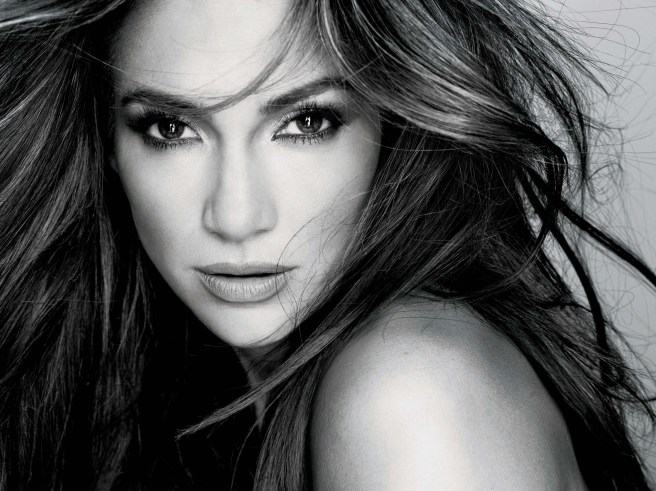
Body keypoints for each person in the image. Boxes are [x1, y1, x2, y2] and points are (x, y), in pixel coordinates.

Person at [1, 0, 655, 489]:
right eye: (171, 128)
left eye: (306, 121)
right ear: (107, 144)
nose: (236, 216)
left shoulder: (411, 396)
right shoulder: (190, 393)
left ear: (391, 122)